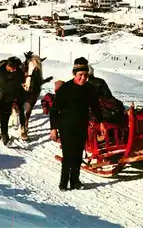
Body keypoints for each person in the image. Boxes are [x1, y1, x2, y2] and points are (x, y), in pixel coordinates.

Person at [49, 57, 107, 191]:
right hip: (66, 125)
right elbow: (54, 110)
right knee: (69, 154)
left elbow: (95, 107)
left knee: (78, 154)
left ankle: (75, 181)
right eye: (80, 75)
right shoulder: (65, 89)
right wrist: (53, 129)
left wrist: (101, 123)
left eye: (86, 75)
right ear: (74, 74)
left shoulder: (89, 89)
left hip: (81, 124)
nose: (83, 78)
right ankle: (63, 182)